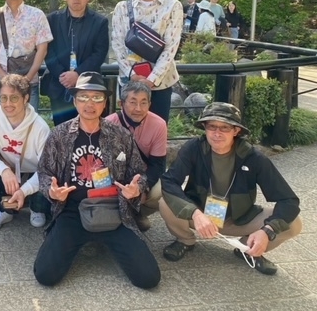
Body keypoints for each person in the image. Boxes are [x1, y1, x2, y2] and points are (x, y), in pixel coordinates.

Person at [33, 72, 161, 289]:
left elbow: (139, 172)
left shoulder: (120, 135)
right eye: (83, 97)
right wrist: (52, 192)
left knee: (149, 278)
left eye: (97, 98)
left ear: (105, 103)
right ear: (75, 101)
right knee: (45, 275)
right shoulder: (59, 135)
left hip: (114, 208)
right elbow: (44, 173)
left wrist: (136, 188)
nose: (90, 104)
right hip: (73, 209)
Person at [159, 102, 302, 275]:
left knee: (293, 223)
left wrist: (267, 231)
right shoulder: (194, 148)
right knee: (165, 202)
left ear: (236, 131)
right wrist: (195, 213)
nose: (217, 133)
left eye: (224, 128)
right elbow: (169, 181)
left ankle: (248, 248)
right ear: (204, 128)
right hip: (200, 213)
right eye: (212, 126)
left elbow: (288, 200)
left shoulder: (253, 158)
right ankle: (185, 240)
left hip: (239, 218)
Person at [0, 74, 51, 233]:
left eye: (14, 98)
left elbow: (46, 168)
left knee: (48, 181)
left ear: (25, 98)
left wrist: (24, 190)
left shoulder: (40, 127)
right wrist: (4, 170)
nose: (8, 104)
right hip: (9, 170)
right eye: (3, 98)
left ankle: (36, 208)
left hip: (34, 173)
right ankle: (3, 209)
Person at [111, 0, 183, 124]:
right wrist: (132, 74)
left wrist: (151, 80)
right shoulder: (122, 7)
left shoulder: (173, 6)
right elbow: (117, 44)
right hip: (130, 81)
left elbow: (171, 47)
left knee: (157, 128)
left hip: (160, 83)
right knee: (128, 130)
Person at [45, 0, 108, 125]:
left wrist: (78, 74)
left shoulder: (100, 22)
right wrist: (63, 76)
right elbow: (47, 51)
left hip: (89, 86)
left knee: (89, 128)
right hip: (60, 86)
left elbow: (99, 53)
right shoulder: (52, 20)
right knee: (62, 131)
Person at [105, 81, 167, 232]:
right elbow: (103, 163)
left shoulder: (159, 124)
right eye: (133, 102)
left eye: (143, 102)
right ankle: (116, 214)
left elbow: (158, 164)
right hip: (116, 176)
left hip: (142, 175)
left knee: (161, 190)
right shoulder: (108, 124)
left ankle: (137, 213)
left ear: (149, 104)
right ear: (121, 103)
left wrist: (142, 188)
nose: (138, 108)